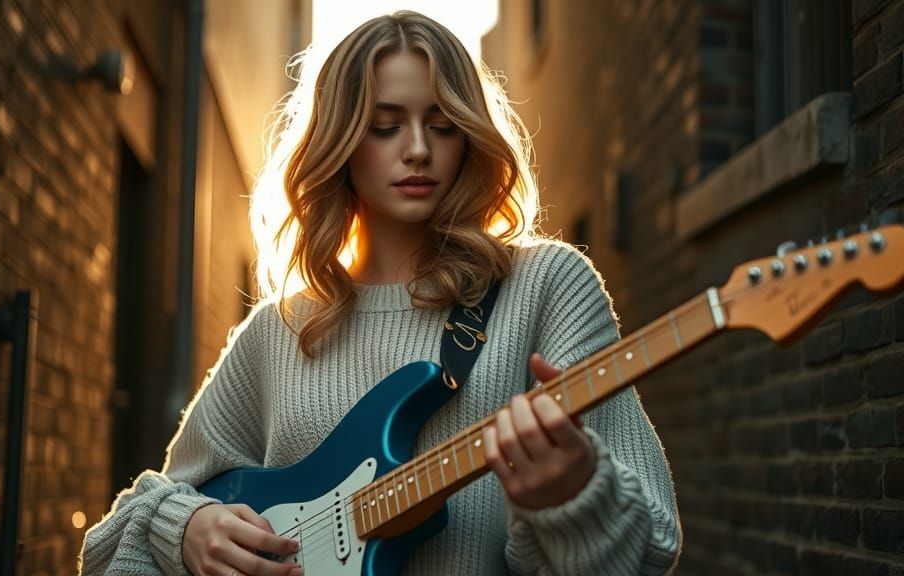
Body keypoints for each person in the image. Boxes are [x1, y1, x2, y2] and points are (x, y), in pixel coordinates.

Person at [79, 10, 680, 576]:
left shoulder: (547, 286)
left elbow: (653, 545)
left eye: (442, 125)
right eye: (385, 126)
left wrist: (574, 495)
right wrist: (186, 529)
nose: (417, 148)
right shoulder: (278, 329)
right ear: (339, 143)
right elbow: (124, 532)